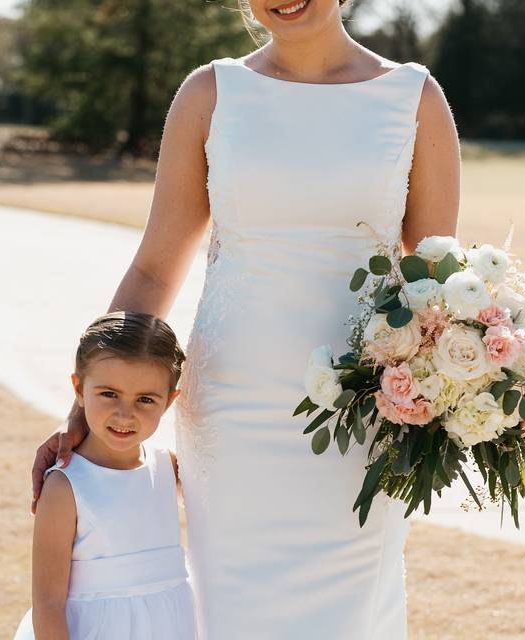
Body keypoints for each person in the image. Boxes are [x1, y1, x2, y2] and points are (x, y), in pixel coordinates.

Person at [31, 1, 461, 637]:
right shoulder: (211, 93)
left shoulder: (414, 99)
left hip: (364, 419)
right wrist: (80, 413)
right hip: (232, 419)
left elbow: (435, 283)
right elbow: (154, 268)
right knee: (234, 614)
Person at [15, 311, 197, 640]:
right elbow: (48, 603)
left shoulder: (168, 468)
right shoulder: (66, 486)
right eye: (109, 394)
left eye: (145, 399)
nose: (125, 414)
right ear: (79, 389)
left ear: (169, 403)